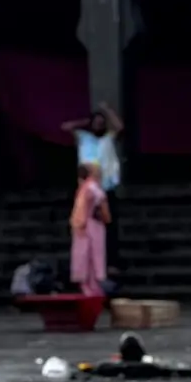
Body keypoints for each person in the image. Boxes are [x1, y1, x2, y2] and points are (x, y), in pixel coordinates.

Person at [64, 104, 123, 268]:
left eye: (101, 122)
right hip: (86, 191)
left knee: (108, 227)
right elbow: (66, 127)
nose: (98, 124)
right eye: (96, 122)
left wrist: (107, 111)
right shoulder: (84, 138)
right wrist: (85, 121)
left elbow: (119, 127)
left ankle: (110, 263)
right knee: (85, 227)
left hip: (105, 189)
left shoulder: (108, 139)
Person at [69, 163, 110, 297]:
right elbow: (102, 204)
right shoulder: (92, 187)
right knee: (90, 255)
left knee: (88, 255)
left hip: (87, 224)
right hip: (90, 225)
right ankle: (91, 285)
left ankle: (90, 285)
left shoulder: (86, 188)